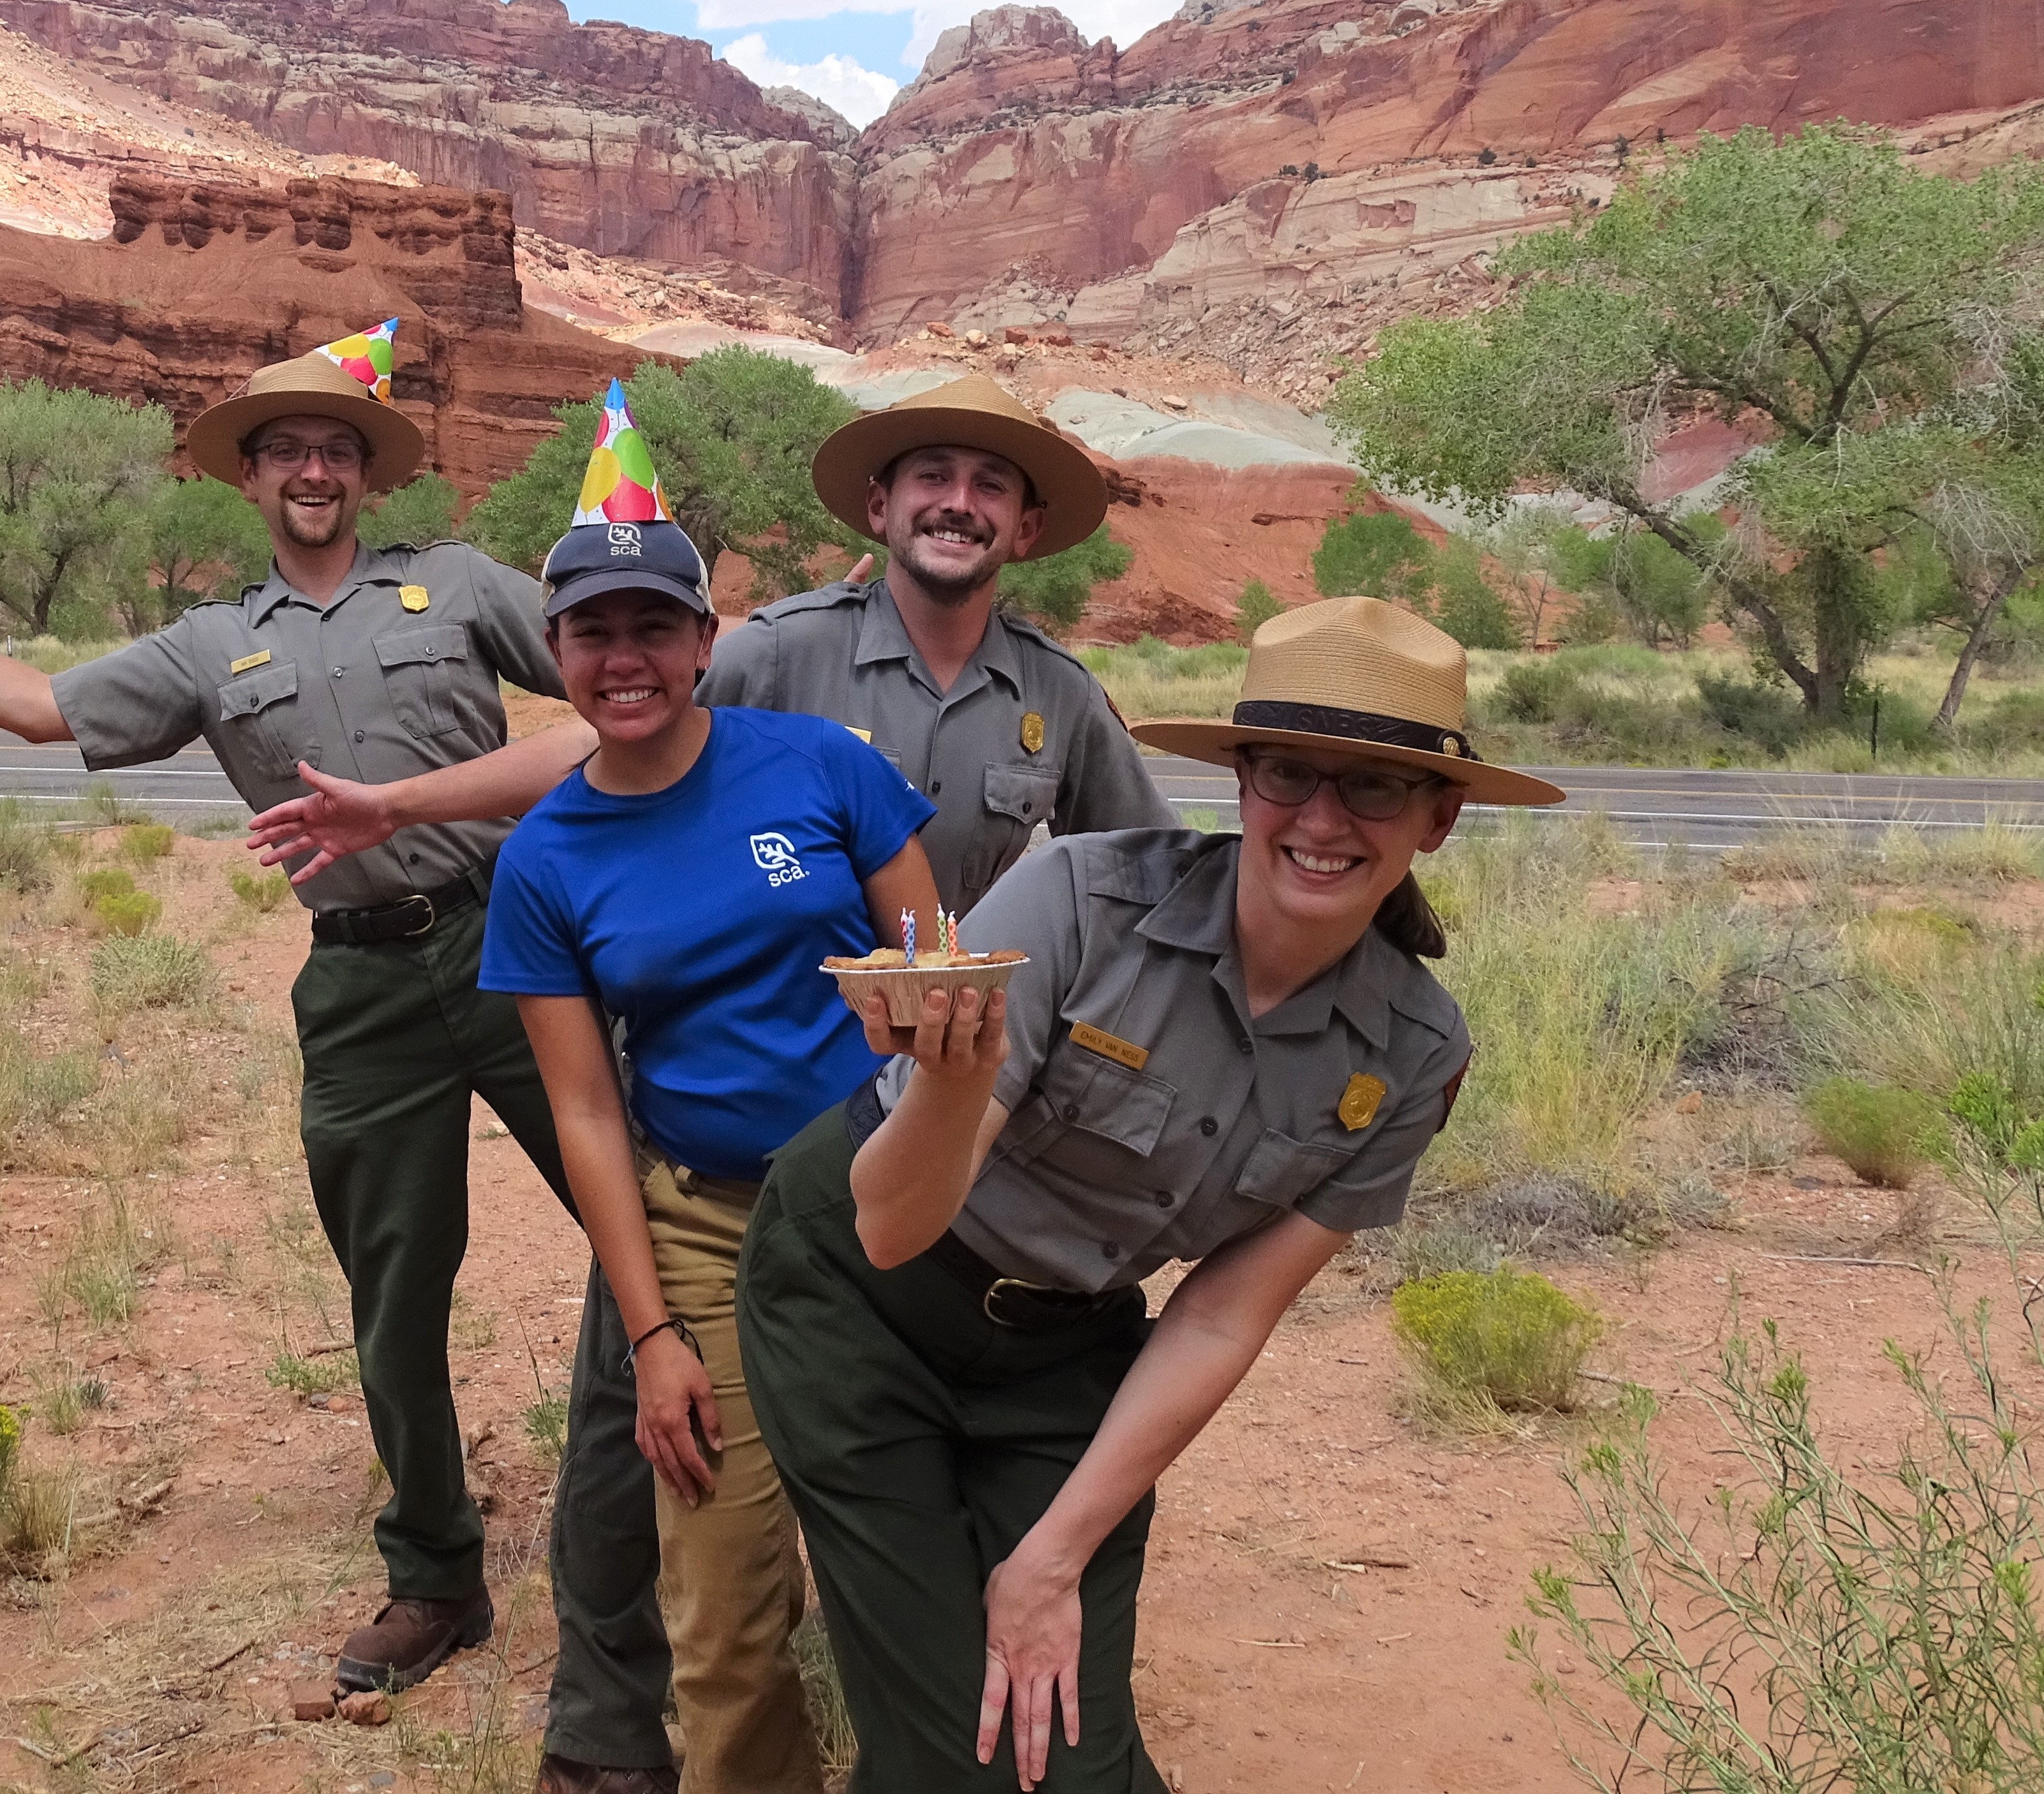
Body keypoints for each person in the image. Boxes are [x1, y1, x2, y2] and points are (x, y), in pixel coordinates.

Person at [246, 371, 1175, 1793]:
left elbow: (1138, 876)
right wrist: (398, 802)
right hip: (712, 1173)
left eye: (990, 484)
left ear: (1026, 523)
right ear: (879, 504)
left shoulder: (1049, 696)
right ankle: (604, 1738)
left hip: (928, 1147)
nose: (958, 502)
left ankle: (960, 1730)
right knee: (643, 1453)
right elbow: (611, 742)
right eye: (932, 476)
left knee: (921, 1476)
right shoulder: (777, 664)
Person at [0, 323, 600, 1695]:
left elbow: (615, 680)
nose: (316, 471)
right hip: (360, 983)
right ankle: (437, 1575)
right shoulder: (215, 641)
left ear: (367, 471)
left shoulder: (456, 586)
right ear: (252, 477)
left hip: (519, 939)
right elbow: (45, 709)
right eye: (289, 451)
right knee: (393, 1291)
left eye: (338, 449)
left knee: (649, 1218)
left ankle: (696, 1509)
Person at [733, 597, 1564, 1790]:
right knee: (951, 1760)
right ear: (1241, 782)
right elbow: (890, 1226)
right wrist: (956, 1087)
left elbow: (1224, 1313)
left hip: (1062, 1351)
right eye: (1290, 773)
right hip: (857, 1305)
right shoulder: (1077, 901)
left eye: (1373, 788)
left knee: (1072, 1763)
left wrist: (1050, 1558)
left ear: (1438, 818)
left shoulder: (1414, 1052)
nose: (1323, 820)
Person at [481, 476, 944, 1794]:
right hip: (710, 1224)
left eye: (651, 625)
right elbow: (584, 1110)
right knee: (725, 1606)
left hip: (889, 1197)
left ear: (702, 639)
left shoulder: (822, 768)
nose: (623, 658)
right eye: (591, 632)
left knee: (922, 1560)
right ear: (557, 653)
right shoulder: (546, 859)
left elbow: (933, 982)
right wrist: (652, 1334)